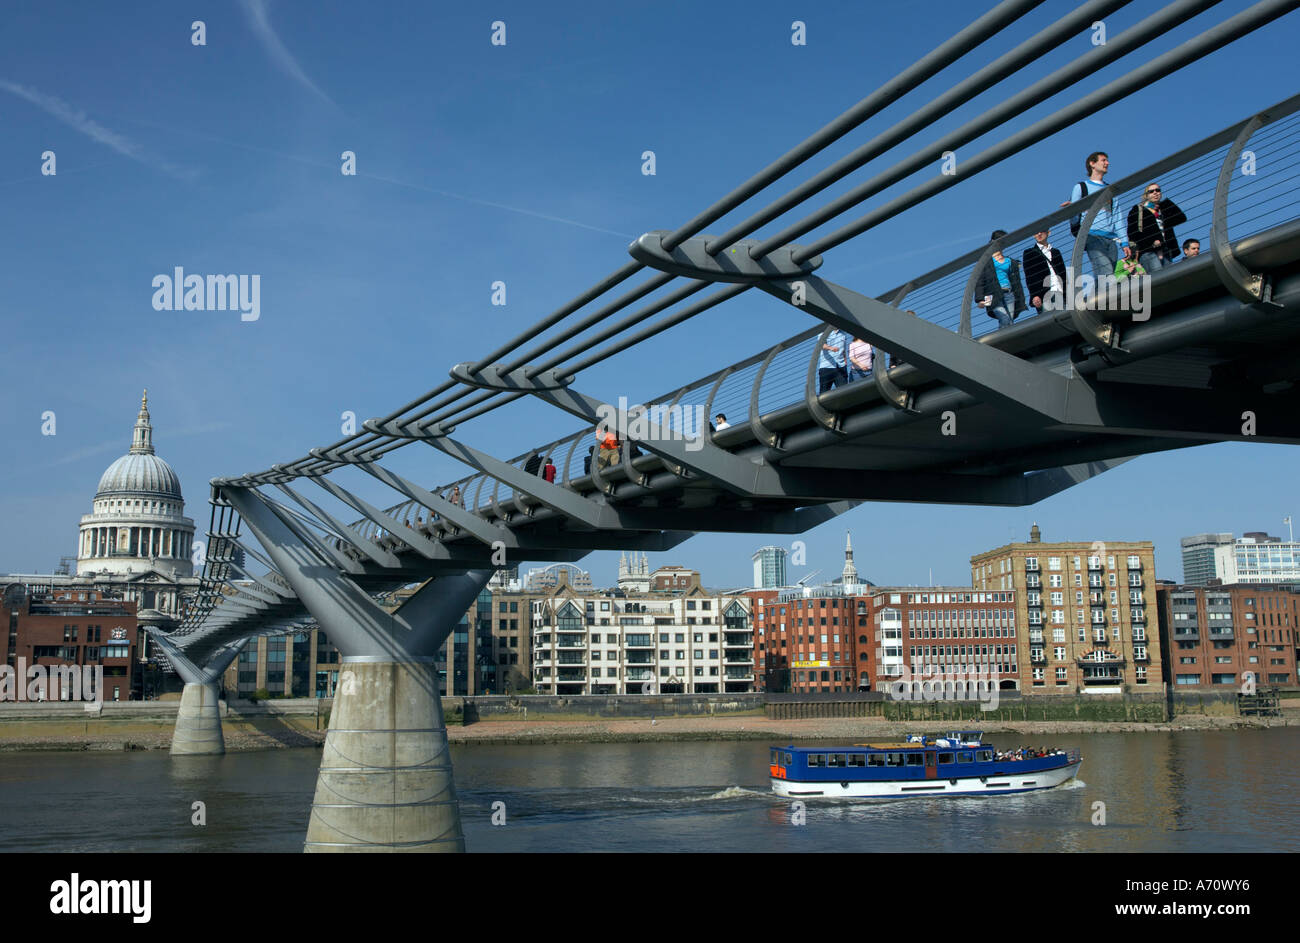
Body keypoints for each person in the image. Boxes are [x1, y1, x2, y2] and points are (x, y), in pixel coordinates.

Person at [1063, 152, 1128, 285]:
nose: (1107, 163)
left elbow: (1117, 217)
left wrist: (1124, 242)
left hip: (1111, 239)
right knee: (1106, 274)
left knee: (1107, 277)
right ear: (1092, 164)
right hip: (1091, 236)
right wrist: (1070, 211)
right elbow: (1075, 217)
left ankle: (1101, 304)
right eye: (1103, 160)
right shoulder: (1081, 187)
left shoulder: (1110, 190)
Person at [1126, 182, 1186, 272]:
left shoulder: (1163, 210)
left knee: (1169, 279)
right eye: (1151, 191)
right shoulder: (1138, 210)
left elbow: (1181, 218)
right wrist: (1151, 241)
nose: (1155, 192)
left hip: (1165, 251)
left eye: (1158, 190)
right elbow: (1132, 233)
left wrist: (1165, 203)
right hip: (1148, 252)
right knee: (1158, 278)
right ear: (1146, 195)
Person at [974, 230, 1027, 329]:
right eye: (999, 241)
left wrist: (1021, 298)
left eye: (1003, 242)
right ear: (992, 242)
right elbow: (980, 281)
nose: (1001, 244)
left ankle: (1007, 341)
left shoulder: (1010, 261)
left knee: (1010, 321)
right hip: (992, 295)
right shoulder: (986, 262)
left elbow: (1017, 282)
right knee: (1004, 319)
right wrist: (979, 299)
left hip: (1009, 294)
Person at [1022, 229, 1067, 312]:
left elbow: (1063, 273)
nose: (1039, 234)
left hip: (1060, 292)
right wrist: (1035, 295)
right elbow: (1029, 275)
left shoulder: (1056, 252)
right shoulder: (1029, 253)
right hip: (1044, 294)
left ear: (1048, 233)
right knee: (1049, 322)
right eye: (1036, 232)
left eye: (1041, 231)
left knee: (1066, 321)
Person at [817, 327, 849, 393]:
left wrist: (845, 362)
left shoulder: (843, 333)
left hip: (841, 367)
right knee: (824, 393)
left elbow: (843, 350)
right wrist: (830, 348)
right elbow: (821, 345)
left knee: (844, 392)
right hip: (826, 367)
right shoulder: (823, 333)